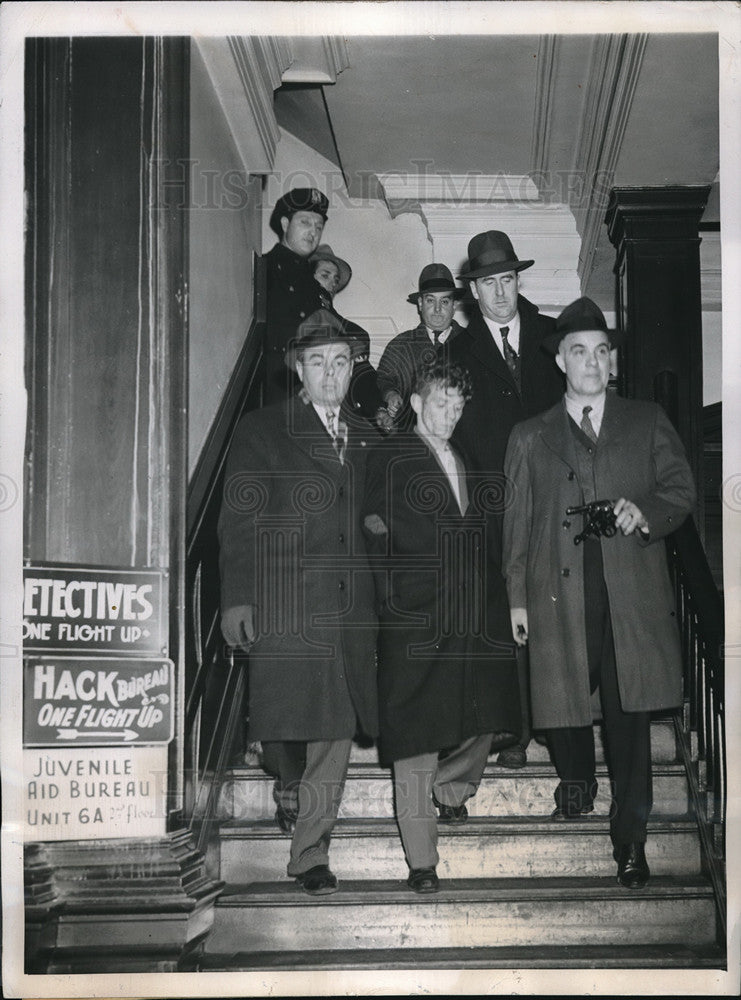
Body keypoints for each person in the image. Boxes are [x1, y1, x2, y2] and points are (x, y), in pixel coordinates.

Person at [502, 296, 696, 890]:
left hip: (628, 592)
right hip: (557, 592)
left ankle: (631, 838)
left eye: (601, 352)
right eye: (579, 351)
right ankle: (578, 781)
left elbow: (681, 489)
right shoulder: (529, 435)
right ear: (561, 360)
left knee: (628, 714)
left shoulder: (646, 420)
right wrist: (516, 596)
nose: (592, 362)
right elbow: (516, 524)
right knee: (560, 697)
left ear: (612, 361)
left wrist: (647, 511)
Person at [218, 309, 379, 897]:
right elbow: (238, 520)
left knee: (334, 726)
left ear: (353, 368)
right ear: (298, 370)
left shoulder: (368, 434)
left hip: (348, 605)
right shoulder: (261, 429)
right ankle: (287, 783)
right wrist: (237, 599)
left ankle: (310, 852)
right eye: (318, 362)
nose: (330, 373)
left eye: (340, 362)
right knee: (287, 723)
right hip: (285, 602)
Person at [363, 361, 520, 894]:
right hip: (415, 616)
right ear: (415, 403)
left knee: (486, 713)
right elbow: (372, 530)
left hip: (473, 613)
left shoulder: (465, 459)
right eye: (440, 404)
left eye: (458, 406)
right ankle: (422, 860)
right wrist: (392, 602)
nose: (451, 415)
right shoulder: (389, 455)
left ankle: (451, 790)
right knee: (414, 736)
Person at [450, 230, 565, 769]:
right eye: (489, 283)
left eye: (508, 279)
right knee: (506, 614)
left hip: (556, 499)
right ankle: (515, 731)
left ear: (518, 281)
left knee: (558, 610)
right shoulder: (456, 351)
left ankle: (561, 727)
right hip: (491, 508)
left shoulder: (552, 337)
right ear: (473, 291)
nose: (500, 292)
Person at [309, 244, 391, 432]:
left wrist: (378, 408)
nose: (332, 284)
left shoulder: (352, 332)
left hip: (342, 417)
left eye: (335, 279)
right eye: (325, 276)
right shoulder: (295, 320)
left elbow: (362, 375)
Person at [376, 263, 466, 432]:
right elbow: (381, 380)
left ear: (454, 305)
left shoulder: (471, 342)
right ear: (420, 304)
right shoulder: (400, 345)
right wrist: (389, 395)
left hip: (463, 437)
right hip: (412, 439)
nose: (437, 309)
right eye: (430, 300)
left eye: (444, 301)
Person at [262, 187, 330, 404]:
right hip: (274, 388)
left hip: (309, 386)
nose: (313, 232)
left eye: (318, 226)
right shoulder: (263, 268)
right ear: (285, 224)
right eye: (305, 222)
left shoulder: (314, 286)